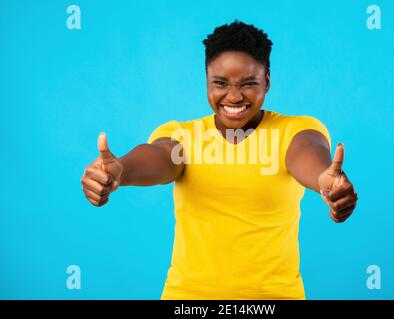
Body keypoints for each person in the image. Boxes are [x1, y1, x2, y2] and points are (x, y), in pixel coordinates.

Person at [81, 20, 358, 300]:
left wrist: (324, 179)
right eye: (220, 83)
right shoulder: (182, 135)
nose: (234, 96)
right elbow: (162, 155)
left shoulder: (293, 131)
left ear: (267, 81)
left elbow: (305, 152)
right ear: (206, 81)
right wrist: (122, 170)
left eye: (249, 83)